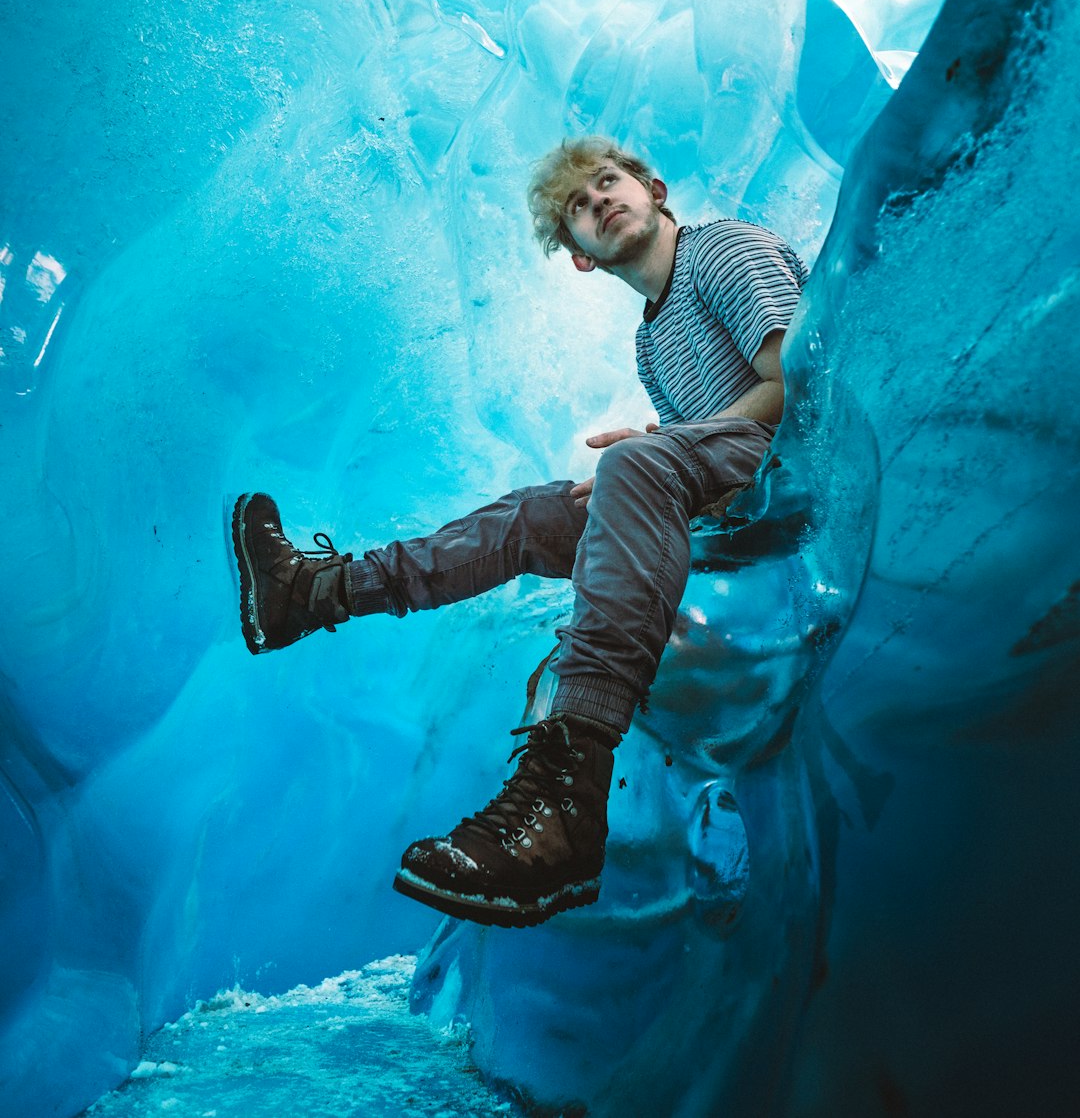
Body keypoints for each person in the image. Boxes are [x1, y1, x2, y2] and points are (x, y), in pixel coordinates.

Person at [231, 137, 808, 929]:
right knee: (535, 512)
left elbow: (793, 387)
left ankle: (567, 809)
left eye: (609, 183)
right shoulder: (649, 338)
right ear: (577, 256)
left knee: (632, 469)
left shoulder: (722, 251)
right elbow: (708, 446)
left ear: (654, 188)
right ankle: (313, 593)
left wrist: (656, 453)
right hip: (729, 507)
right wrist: (661, 445)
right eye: (578, 206)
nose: (599, 201)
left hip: (798, 481)